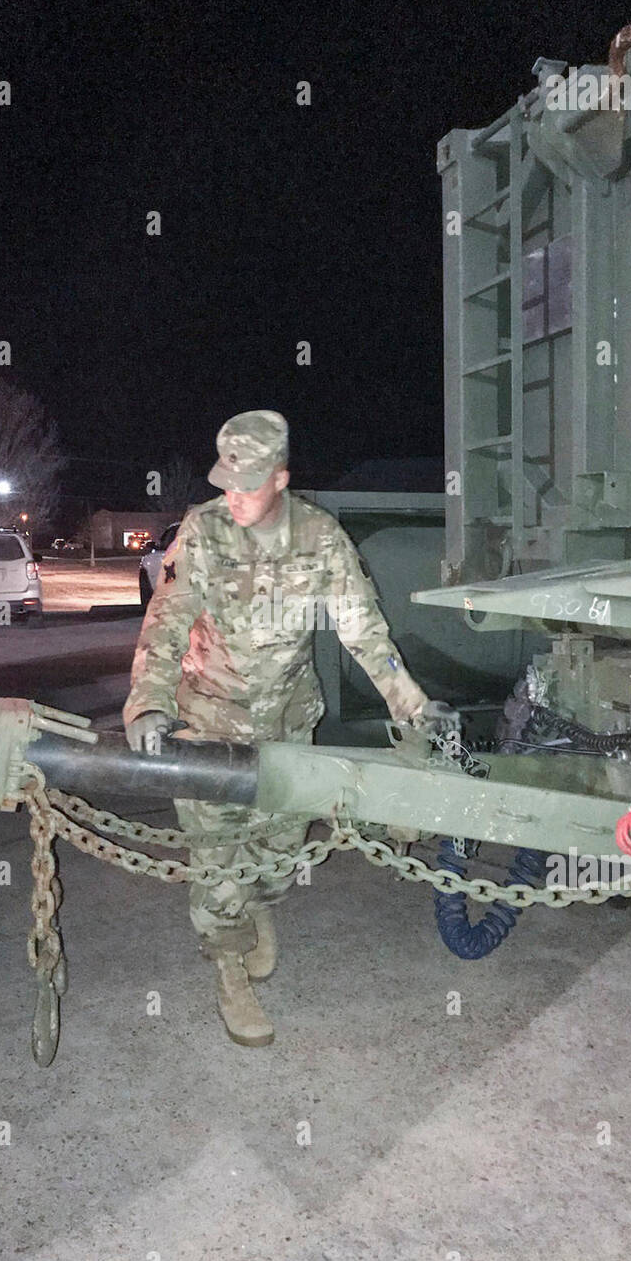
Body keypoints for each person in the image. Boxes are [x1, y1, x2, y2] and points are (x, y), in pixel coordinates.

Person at [123, 410, 455, 1046]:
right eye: (227, 482)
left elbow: (365, 633)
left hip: (287, 726)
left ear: (281, 478)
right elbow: (165, 622)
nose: (234, 497)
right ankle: (228, 965)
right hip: (206, 725)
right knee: (219, 862)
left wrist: (411, 705)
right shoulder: (204, 532)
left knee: (278, 852)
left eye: (248, 484)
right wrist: (147, 702)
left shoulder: (321, 537)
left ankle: (259, 909)